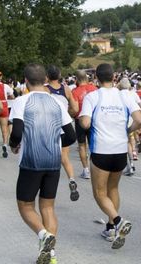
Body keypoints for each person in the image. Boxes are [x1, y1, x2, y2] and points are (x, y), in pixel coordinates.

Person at [9, 63, 76, 264]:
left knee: (25, 206)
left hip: (31, 162)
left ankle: (43, 235)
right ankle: (51, 255)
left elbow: (17, 132)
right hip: (54, 162)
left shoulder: (22, 101)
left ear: (26, 81)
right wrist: (54, 143)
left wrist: (14, 145)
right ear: (46, 79)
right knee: (48, 207)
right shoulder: (57, 102)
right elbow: (71, 136)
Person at [79, 64, 141, 249]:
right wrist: (127, 130)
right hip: (120, 149)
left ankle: (118, 221)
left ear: (96, 79)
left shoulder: (93, 96)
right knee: (113, 189)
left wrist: (86, 121)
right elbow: (139, 120)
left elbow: (84, 123)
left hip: (101, 149)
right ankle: (111, 228)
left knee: (99, 193)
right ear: (114, 77)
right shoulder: (124, 96)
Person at [45, 65, 80, 202]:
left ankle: (47, 186)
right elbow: (75, 108)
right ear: (59, 75)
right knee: (64, 157)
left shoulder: (45, 89)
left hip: (50, 127)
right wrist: (68, 114)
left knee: (49, 157)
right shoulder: (66, 89)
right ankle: (71, 179)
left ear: (47, 76)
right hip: (65, 126)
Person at [72, 69, 97, 180]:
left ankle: (86, 170)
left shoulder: (75, 91)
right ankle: (95, 169)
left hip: (80, 120)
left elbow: (75, 109)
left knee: (82, 145)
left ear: (76, 79)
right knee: (93, 145)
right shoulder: (94, 89)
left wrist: (71, 114)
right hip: (93, 120)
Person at [0, 71, 14, 158]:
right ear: (0, 77)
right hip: (4, 106)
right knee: (4, 127)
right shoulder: (6, 86)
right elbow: (12, 96)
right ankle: (4, 144)